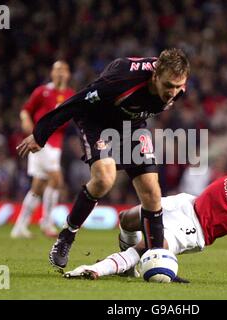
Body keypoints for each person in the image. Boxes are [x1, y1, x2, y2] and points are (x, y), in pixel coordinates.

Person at [16, 49, 190, 268]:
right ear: (155, 76)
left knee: (152, 192)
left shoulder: (178, 87)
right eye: (168, 86)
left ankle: (158, 260)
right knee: (105, 179)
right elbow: (77, 101)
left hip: (132, 126)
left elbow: (162, 95)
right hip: (97, 121)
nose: (173, 92)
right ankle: (66, 236)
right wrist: (41, 133)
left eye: (177, 86)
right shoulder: (123, 78)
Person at [64, 147, 227, 285]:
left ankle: (96, 269)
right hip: (186, 202)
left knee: (148, 246)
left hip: (195, 230)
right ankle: (127, 267)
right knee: (126, 219)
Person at [11, 61, 74, 238]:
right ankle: (46, 222)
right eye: (57, 70)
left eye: (63, 70)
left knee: (38, 186)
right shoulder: (42, 91)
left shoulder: (70, 94)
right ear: (52, 74)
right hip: (41, 141)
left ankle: (19, 227)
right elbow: (26, 110)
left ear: (68, 74)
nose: (60, 73)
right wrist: (27, 123)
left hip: (56, 143)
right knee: (56, 178)